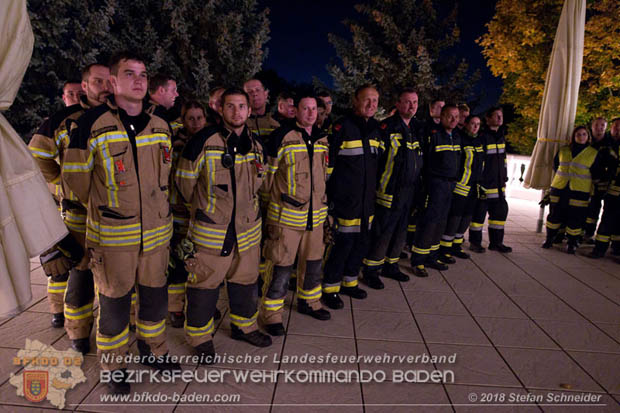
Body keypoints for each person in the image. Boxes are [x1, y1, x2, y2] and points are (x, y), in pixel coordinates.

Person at [63, 51, 179, 394]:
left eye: (143, 73)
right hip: (114, 237)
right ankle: (113, 366)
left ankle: (153, 351)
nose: (139, 80)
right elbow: (76, 178)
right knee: (114, 307)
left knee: (155, 300)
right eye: (129, 74)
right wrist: (108, 205)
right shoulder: (91, 124)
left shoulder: (161, 125)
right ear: (112, 83)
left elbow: (165, 179)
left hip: (157, 236)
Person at [175, 88, 272, 360]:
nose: (237, 111)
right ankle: (199, 338)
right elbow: (184, 184)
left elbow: (260, 183)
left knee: (246, 282)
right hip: (211, 232)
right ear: (221, 109)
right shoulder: (202, 141)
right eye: (231, 106)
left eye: (242, 106)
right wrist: (207, 210)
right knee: (203, 287)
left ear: (249, 110)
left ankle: (244, 326)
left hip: (247, 231)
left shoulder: (256, 145)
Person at [28, 63, 111, 354]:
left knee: (116, 275)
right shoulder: (62, 121)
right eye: (97, 81)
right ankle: (77, 333)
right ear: (85, 86)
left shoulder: (122, 116)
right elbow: (36, 156)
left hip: (115, 215)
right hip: (78, 214)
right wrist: (58, 183)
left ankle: (117, 331)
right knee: (80, 272)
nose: (104, 87)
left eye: (108, 81)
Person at [259, 93, 331, 334]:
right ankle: (271, 315)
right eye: (305, 108)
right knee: (280, 267)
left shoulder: (323, 139)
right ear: (295, 111)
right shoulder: (281, 137)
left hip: (316, 218)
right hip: (286, 219)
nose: (311, 113)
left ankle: (309, 301)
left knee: (312, 265)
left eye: (314, 109)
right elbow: (267, 178)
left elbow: (324, 177)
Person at [355, 87, 423, 294]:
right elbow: (377, 162)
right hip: (388, 191)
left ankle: (391, 265)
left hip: (409, 191)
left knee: (400, 231)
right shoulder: (387, 127)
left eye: (415, 102)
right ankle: (371, 271)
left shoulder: (416, 129)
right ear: (398, 104)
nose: (412, 106)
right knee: (382, 233)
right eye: (407, 102)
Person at [322, 85, 381, 299]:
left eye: (375, 100)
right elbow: (328, 168)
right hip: (345, 200)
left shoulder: (376, 129)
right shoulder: (341, 127)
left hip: (367, 201)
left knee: (361, 243)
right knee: (342, 246)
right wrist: (329, 198)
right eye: (367, 99)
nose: (371, 104)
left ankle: (350, 282)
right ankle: (330, 288)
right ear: (355, 100)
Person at [166, 100, 207, 328]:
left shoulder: (211, 143)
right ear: (182, 120)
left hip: (201, 213)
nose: (195, 123)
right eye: (190, 118)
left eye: (200, 118)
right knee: (179, 263)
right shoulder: (173, 145)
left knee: (199, 263)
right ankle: (175, 308)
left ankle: (196, 306)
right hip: (179, 213)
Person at [410, 105, 461, 278]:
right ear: (442, 116)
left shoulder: (456, 137)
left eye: (456, 116)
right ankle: (418, 261)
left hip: (450, 185)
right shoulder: (434, 135)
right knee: (428, 223)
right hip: (435, 184)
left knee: (440, 223)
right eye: (450, 116)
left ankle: (431, 256)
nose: (454, 120)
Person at [542, 126, 603, 253]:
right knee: (554, 215)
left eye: (584, 134)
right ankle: (549, 239)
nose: (581, 137)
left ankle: (572, 243)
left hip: (579, 190)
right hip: (559, 188)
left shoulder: (593, 153)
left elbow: (597, 173)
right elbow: (556, 166)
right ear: (573, 137)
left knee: (576, 217)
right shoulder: (563, 150)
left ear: (588, 137)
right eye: (578, 134)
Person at [439, 115, 485, 261]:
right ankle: (445, 249)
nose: (475, 127)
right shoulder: (460, 140)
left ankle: (456, 246)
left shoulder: (478, 142)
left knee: (466, 219)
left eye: (478, 124)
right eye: (472, 123)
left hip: (473, 188)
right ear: (465, 124)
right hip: (460, 188)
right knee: (454, 220)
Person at [469, 106, 512, 253]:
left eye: (501, 115)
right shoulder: (482, 137)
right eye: (496, 116)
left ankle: (496, 243)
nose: (500, 118)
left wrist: (505, 176)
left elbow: (503, 160)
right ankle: (475, 243)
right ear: (487, 119)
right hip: (485, 185)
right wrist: (479, 182)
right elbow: (478, 162)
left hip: (499, 186)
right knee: (478, 217)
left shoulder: (501, 136)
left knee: (499, 216)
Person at [589, 118, 620, 258]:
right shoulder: (606, 144)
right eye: (616, 127)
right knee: (607, 219)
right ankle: (599, 249)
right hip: (611, 190)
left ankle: (617, 249)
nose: (618, 130)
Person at [584, 117, 610, 242]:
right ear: (592, 126)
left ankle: (588, 234)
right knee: (581, 207)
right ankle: (577, 232)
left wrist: (602, 179)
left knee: (594, 209)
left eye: (602, 125)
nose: (599, 128)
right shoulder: (585, 140)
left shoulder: (609, 144)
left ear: (606, 127)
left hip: (599, 183)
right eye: (597, 125)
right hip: (582, 181)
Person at [244, 78, 280, 142]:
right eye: (250, 92)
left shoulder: (277, 124)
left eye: (257, 90)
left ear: (266, 94)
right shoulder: (240, 124)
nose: (254, 94)